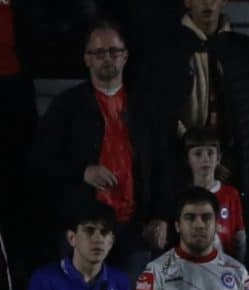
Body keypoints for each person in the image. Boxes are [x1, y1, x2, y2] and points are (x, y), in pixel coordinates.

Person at [38, 21, 171, 261]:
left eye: (114, 51)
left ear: (125, 56)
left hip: (136, 231)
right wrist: (83, 172)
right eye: (98, 52)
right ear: (87, 59)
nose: (107, 58)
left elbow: (165, 164)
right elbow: (41, 160)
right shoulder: (66, 106)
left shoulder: (147, 107)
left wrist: (161, 216)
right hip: (82, 231)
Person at [142, 0, 249, 212]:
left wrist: (230, 158)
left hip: (235, 169)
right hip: (180, 168)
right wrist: (194, 149)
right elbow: (158, 114)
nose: (207, 3)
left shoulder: (243, 50)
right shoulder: (166, 50)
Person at [182, 128, 246, 261]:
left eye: (210, 153)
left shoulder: (231, 194)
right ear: (187, 160)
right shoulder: (182, 196)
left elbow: (239, 237)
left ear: (219, 158)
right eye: (198, 154)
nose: (205, 159)